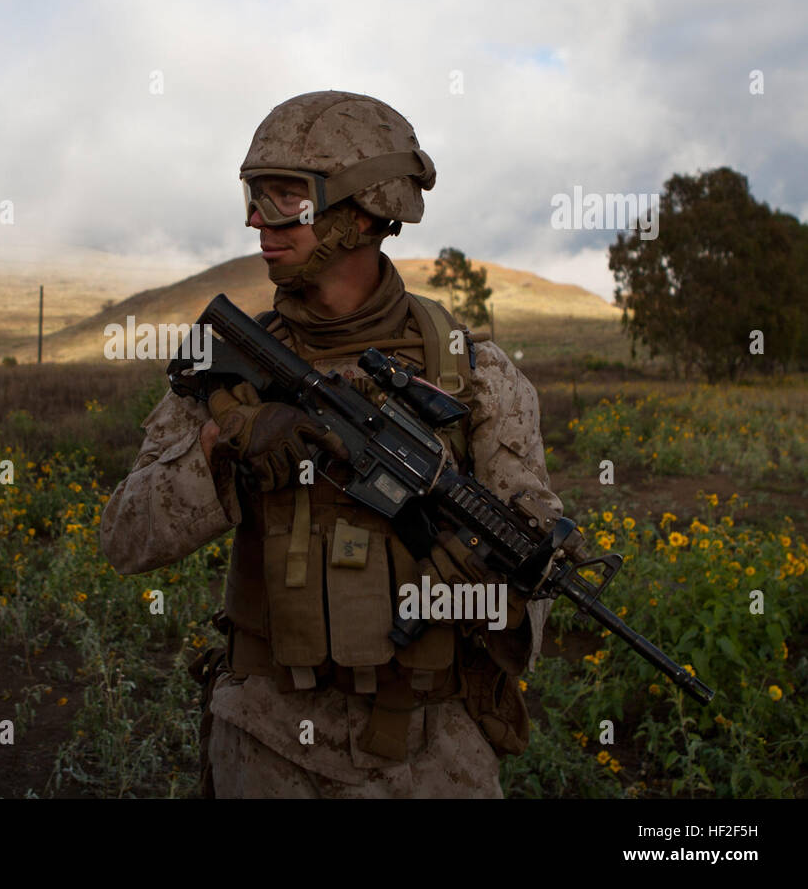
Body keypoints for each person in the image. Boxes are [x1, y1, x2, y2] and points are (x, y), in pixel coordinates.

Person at [99, 90, 561, 798]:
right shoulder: (230, 367)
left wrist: (481, 584)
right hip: (266, 740)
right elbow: (125, 538)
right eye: (254, 196)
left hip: (434, 753)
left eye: (286, 198)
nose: (257, 220)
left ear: (363, 212)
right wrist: (227, 452)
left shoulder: (475, 375)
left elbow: (534, 563)